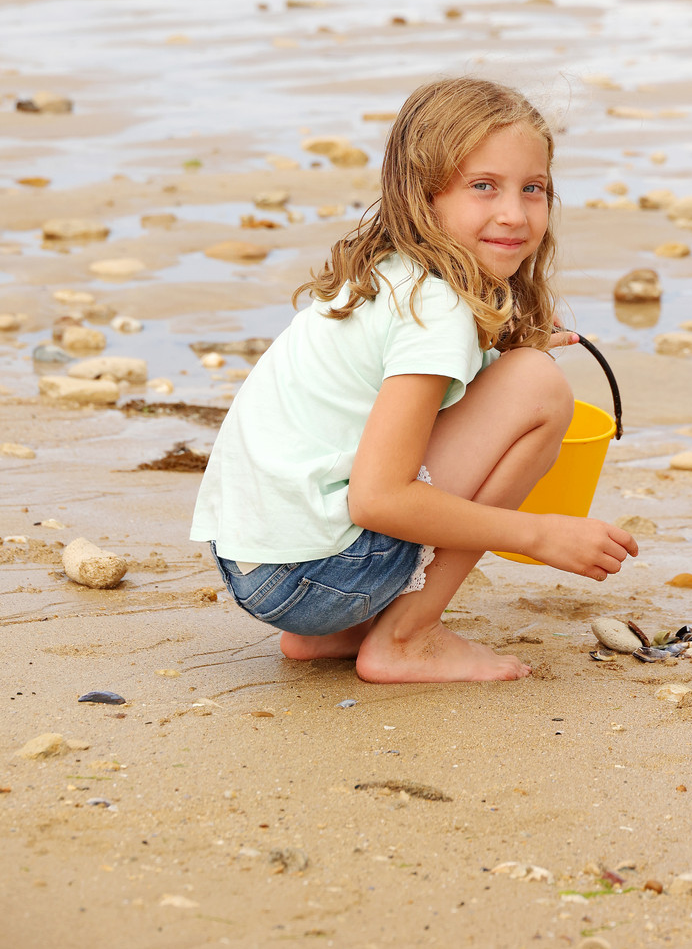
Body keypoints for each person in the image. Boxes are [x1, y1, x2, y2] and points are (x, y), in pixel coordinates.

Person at [191, 77, 637, 683]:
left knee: (520, 368)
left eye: (533, 189)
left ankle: (338, 635)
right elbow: (376, 498)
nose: (514, 212)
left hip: (256, 563)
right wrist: (539, 534)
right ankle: (405, 637)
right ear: (422, 196)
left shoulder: (394, 277)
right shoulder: (438, 310)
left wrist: (498, 349)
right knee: (539, 386)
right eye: (483, 187)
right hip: (313, 576)